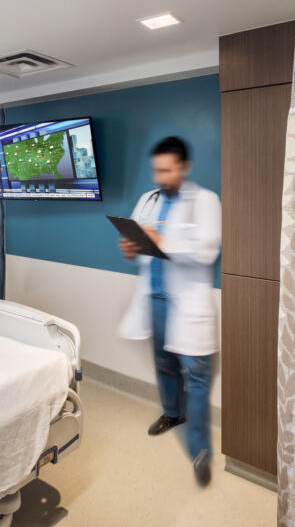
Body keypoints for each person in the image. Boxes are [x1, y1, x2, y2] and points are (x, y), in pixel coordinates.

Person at [117, 136, 222, 487]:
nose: (159, 177)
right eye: (156, 170)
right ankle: (170, 413)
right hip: (155, 299)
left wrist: (163, 242)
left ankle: (199, 451)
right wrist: (130, 248)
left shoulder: (206, 202)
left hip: (189, 307)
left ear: (184, 167)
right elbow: (135, 245)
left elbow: (206, 252)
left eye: (166, 170)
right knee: (163, 364)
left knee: (196, 379)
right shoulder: (147, 200)